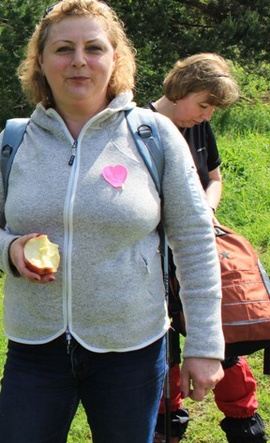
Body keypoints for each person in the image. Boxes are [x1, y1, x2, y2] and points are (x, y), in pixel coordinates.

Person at [0, 0, 225, 442]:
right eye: (63, 49)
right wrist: (9, 248)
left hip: (132, 349)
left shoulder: (153, 135)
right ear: (41, 62)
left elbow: (195, 241)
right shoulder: (14, 140)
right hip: (34, 348)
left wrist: (204, 344)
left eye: (94, 48)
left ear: (114, 58)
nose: (79, 61)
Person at [149, 54, 262, 442]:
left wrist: (204, 211)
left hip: (197, 252)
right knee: (165, 356)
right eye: (204, 104)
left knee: (221, 340)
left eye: (213, 108)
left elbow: (214, 178)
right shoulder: (141, 127)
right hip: (154, 262)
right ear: (181, 89)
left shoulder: (199, 128)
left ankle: (245, 429)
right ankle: (167, 428)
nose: (207, 115)